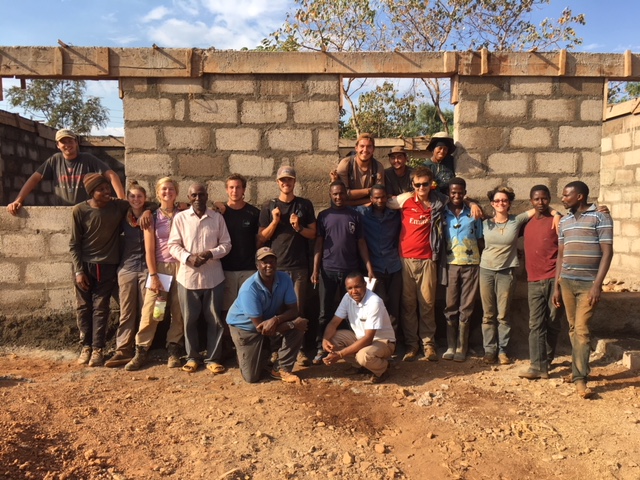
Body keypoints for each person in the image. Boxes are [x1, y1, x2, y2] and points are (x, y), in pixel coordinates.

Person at [70, 173, 149, 367]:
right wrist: (79, 271)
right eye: (101, 190)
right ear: (91, 192)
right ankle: (85, 346)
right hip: (84, 266)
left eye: (108, 189)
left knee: (101, 307)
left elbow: (142, 203)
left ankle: (98, 348)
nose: (107, 192)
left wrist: (148, 211)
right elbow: (74, 244)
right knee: (83, 307)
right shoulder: (80, 210)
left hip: (107, 265)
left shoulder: (117, 206)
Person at [479, 186, 560, 366]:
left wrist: (556, 214)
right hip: (485, 271)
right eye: (497, 200)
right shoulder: (484, 223)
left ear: (509, 204)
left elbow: (542, 206)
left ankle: (503, 351)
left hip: (507, 271)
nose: (501, 203)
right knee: (487, 314)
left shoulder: (517, 220)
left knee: (503, 314)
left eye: (504, 200)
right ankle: (489, 350)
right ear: (492, 204)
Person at [553, 181, 613, 399]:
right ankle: (579, 369)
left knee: (582, 330)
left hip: (588, 284)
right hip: (567, 282)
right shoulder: (565, 221)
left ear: (579, 196)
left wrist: (598, 284)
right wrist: (556, 285)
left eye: (566, 194)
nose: (563, 198)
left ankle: (580, 380)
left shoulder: (601, 216)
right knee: (572, 328)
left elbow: (607, 252)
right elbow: (561, 254)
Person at [168, 183, 231, 374]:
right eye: (194, 195)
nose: (197, 198)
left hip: (214, 278)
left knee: (215, 320)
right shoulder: (180, 218)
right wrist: (189, 257)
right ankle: (193, 357)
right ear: (188, 198)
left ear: (207, 196)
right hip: (188, 278)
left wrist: (210, 254)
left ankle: (213, 358)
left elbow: (227, 244)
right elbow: (173, 245)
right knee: (189, 320)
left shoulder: (217, 218)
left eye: (201, 195)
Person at [387, 167, 448, 362]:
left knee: (428, 304)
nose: (421, 187)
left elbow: (457, 199)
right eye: (417, 184)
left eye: (425, 184)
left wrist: (472, 203)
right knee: (408, 305)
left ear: (432, 184)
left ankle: (428, 345)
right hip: (405, 259)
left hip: (428, 259)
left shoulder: (438, 202)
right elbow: (380, 201)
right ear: (412, 185)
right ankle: (412, 345)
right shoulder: (404, 200)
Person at [311, 181, 375, 364]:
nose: (338, 197)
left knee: (350, 312)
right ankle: (319, 347)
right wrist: (315, 270)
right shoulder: (323, 216)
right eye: (334, 194)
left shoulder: (355, 216)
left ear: (346, 194)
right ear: (330, 195)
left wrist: (368, 266)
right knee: (325, 311)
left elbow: (361, 243)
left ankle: (348, 349)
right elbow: (319, 244)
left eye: (341, 193)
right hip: (328, 271)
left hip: (350, 272)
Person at [258, 165, 316, 365]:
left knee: (297, 310)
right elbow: (260, 238)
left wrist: (298, 227)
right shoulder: (269, 206)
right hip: (275, 268)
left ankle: (297, 350)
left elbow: (313, 234)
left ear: (294, 182)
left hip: (298, 267)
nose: (286, 183)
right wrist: (275, 222)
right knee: (275, 311)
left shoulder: (304, 205)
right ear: (278, 183)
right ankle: (275, 350)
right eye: (282, 180)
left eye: (289, 180)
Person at [125, 177, 185, 371]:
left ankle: (174, 349)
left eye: (171, 189)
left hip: (182, 268)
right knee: (152, 309)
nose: (167, 192)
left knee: (179, 310)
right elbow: (149, 249)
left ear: (176, 192)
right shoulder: (151, 217)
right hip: (160, 268)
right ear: (158, 193)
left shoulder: (184, 214)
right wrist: (154, 275)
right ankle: (141, 349)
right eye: (163, 190)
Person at [227, 247, 309, 384]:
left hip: (268, 319)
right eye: (264, 262)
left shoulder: (285, 278)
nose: (269, 265)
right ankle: (254, 353)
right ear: (257, 265)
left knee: (299, 324)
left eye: (272, 261)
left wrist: (277, 319)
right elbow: (261, 328)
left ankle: (281, 369)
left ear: (277, 263)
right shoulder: (249, 288)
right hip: (245, 328)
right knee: (252, 377)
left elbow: (293, 310)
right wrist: (290, 324)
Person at [7, 128, 125, 215]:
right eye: (63, 142)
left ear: (76, 143)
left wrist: (122, 201)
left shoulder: (87, 159)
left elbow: (112, 175)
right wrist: (18, 200)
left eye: (70, 141)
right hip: (62, 212)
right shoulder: (54, 160)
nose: (67, 145)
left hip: (86, 212)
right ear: (58, 145)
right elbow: (34, 179)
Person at [518, 185, 563, 380]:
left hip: (554, 280)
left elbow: (563, 250)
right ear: (531, 201)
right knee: (536, 324)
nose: (541, 203)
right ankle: (537, 366)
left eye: (544, 199)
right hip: (533, 281)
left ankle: (547, 360)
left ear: (549, 199)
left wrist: (556, 213)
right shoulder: (526, 224)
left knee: (553, 322)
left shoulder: (556, 222)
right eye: (536, 199)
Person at [322, 272, 396, 384]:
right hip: (360, 338)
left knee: (364, 356)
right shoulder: (347, 298)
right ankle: (359, 366)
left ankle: (384, 368)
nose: (354, 291)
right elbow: (333, 323)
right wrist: (325, 339)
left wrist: (340, 354)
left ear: (365, 285)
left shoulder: (374, 302)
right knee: (332, 339)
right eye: (350, 288)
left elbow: (368, 338)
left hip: (382, 342)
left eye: (357, 286)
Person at [105, 182, 149, 368]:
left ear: (145, 198)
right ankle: (123, 349)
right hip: (128, 267)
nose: (136, 199)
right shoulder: (123, 217)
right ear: (127, 199)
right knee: (127, 311)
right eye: (132, 196)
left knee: (147, 312)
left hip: (148, 269)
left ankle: (144, 348)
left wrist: (148, 211)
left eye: (139, 196)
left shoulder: (152, 215)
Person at [442, 177, 484, 362]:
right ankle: (451, 345)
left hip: (471, 263)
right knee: (450, 304)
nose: (456, 195)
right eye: (453, 192)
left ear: (464, 193)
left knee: (466, 306)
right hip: (450, 264)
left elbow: (481, 238)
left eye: (460, 192)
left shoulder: (473, 213)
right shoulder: (442, 213)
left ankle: (462, 346)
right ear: (449, 193)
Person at [356, 184, 402, 334]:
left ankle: (392, 340)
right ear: (371, 199)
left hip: (393, 265)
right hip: (374, 268)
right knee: (380, 302)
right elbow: (340, 203)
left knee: (395, 305)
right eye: (376, 197)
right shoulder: (362, 214)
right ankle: (378, 338)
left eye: (383, 197)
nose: (380, 200)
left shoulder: (394, 215)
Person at [219, 174, 260, 313]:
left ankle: (246, 335)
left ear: (244, 190)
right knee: (226, 309)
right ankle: (228, 336)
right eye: (231, 187)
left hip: (248, 269)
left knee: (248, 308)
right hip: (225, 269)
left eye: (238, 187)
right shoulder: (219, 214)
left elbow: (259, 240)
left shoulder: (254, 213)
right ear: (226, 189)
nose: (234, 191)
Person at [332, 133, 385, 206]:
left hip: (370, 207)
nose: (365, 150)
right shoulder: (346, 164)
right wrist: (369, 191)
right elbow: (344, 195)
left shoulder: (378, 166)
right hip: (348, 208)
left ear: (373, 149)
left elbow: (379, 195)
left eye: (369, 146)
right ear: (356, 148)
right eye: (362, 146)